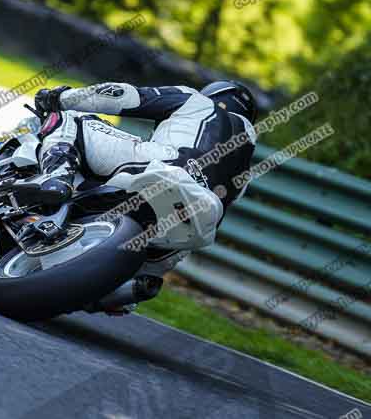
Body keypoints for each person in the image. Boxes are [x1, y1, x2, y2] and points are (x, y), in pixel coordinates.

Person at [18, 80, 258, 281]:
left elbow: (124, 96)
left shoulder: (195, 100)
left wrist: (62, 97)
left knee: (69, 120)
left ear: (213, 94)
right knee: (157, 262)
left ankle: (56, 178)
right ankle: (131, 287)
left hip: (166, 165)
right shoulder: (246, 167)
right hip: (190, 224)